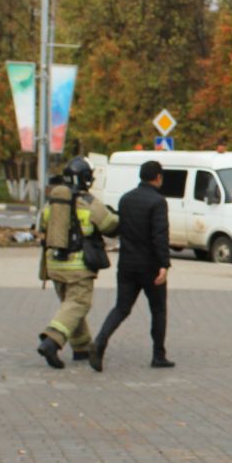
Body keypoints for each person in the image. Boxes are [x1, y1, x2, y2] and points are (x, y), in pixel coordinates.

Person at [36, 157, 119, 369]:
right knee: (79, 303)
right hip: (78, 266)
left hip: (54, 265)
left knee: (71, 306)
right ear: (85, 178)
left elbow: (42, 225)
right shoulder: (88, 202)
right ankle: (51, 341)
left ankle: (82, 349)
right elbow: (109, 225)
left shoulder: (53, 202)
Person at [91, 159, 174, 371]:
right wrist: (164, 264)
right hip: (150, 266)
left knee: (121, 307)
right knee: (158, 309)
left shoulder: (125, 199)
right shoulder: (158, 202)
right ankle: (158, 355)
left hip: (127, 264)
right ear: (157, 177)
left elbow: (121, 229)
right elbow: (159, 235)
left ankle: (100, 341)